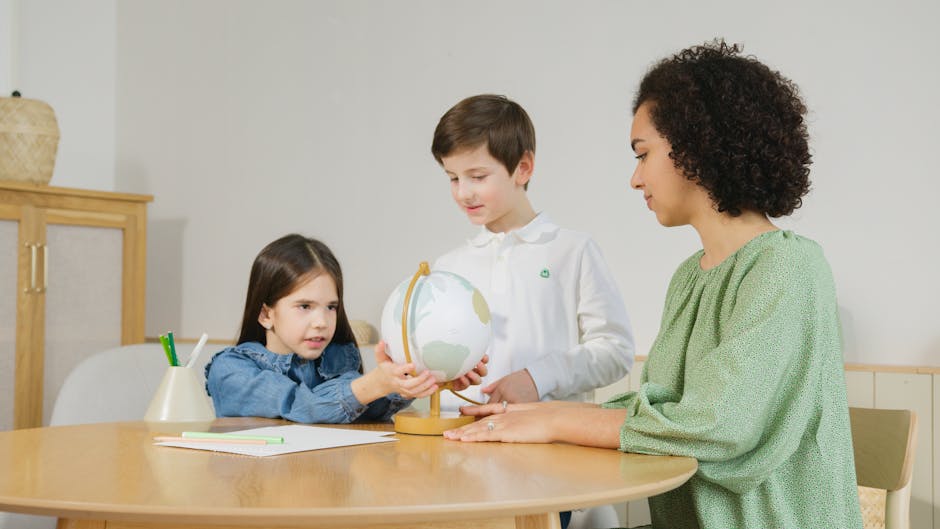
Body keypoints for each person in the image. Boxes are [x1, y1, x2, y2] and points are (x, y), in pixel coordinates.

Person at [444, 40, 863, 529]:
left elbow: (717, 426)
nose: (635, 178)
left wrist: (556, 419)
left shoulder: (789, 267)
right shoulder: (691, 276)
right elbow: (662, 406)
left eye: (643, 155)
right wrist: (540, 414)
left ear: (697, 148)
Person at [430, 94, 636, 413]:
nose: (463, 192)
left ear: (523, 168)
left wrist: (539, 377)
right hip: (459, 440)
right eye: (453, 178)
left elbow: (615, 351)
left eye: (478, 176)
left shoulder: (573, 251)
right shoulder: (448, 267)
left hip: (546, 444)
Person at [205, 233, 444, 423]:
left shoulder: (336, 355)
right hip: (257, 483)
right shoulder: (230, 370)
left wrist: (410, 382)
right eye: (305, 306)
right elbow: (299, 404)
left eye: (331, 307)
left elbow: (366, 411)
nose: (322, 322)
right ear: (266, 314)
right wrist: (375, 383)